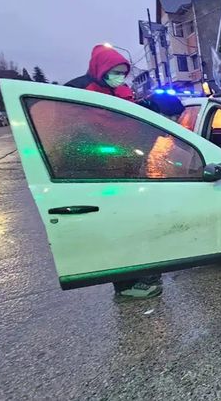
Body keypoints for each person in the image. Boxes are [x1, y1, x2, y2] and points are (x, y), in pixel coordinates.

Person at [66, 44, 162, 300]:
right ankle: (124, 286)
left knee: (134, 226)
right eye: (115, 71)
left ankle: (142, 274)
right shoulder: (78, 92)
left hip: (130, 169)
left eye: (123, 72)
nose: (119, 77)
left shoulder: (123, 92)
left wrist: (153, 108)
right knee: (116, 229)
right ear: (101, 69)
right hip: (98, 172)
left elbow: (134, 123)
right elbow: (68, 134)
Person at [65, 44, 134, 101]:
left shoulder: (124, 90)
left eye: (124, 73)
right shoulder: (76, 88)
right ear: (103, 70)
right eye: (117, 73)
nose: (121, 77)